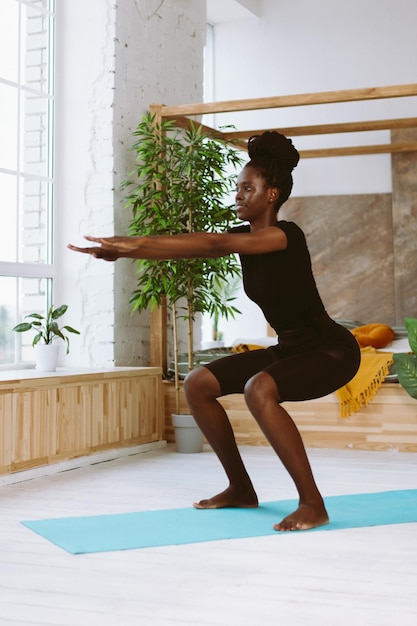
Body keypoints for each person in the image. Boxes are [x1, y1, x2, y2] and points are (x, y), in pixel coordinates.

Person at [68, 131, 360, 531]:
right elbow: (194, 245)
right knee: (198, 382)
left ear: (271, 194)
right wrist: (124, 250)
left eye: (247, 188)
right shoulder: (244, 238)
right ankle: (241, 489)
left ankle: (313, 503)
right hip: (291, 348)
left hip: (331, 351)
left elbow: (211, 245)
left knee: (261, 387)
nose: (238, 195)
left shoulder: (285, 235)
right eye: (237, 188)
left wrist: (131, 241)